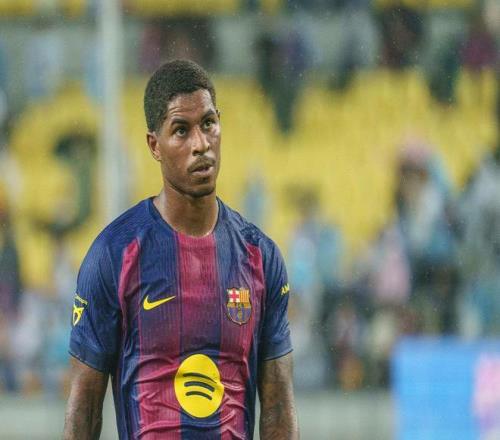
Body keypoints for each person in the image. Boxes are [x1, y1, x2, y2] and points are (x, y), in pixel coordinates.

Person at [63, 60, 298, 439]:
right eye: (181, 130)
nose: (201, 144)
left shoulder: (260, 256)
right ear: (154, 145)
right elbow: (84, 408)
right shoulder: (114, 255)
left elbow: (278, 406)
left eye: (208, 123)